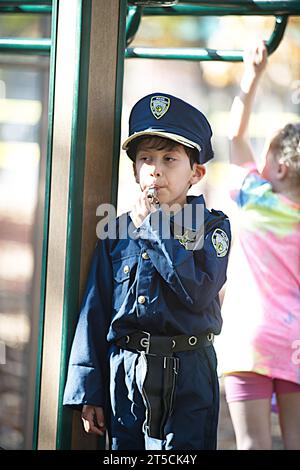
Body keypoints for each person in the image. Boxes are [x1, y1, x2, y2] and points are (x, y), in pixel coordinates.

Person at [63, 92, 231, 450]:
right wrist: (88, 387)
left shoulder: (213, 228)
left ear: (196, 173)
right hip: (126, 373)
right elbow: (96, 310)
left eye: (170, 159)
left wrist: (155, 228)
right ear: (135, 170)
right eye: (146, 159)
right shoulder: (117, 232)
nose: (156, 169)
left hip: (189, 373)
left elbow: (198, 293)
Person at [218, 42, 300, 450]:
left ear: (280, 167)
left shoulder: (254, 196)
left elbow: (234, 134)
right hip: (295, 341)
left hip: (248, 340)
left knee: (252, 443)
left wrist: (251, 77)